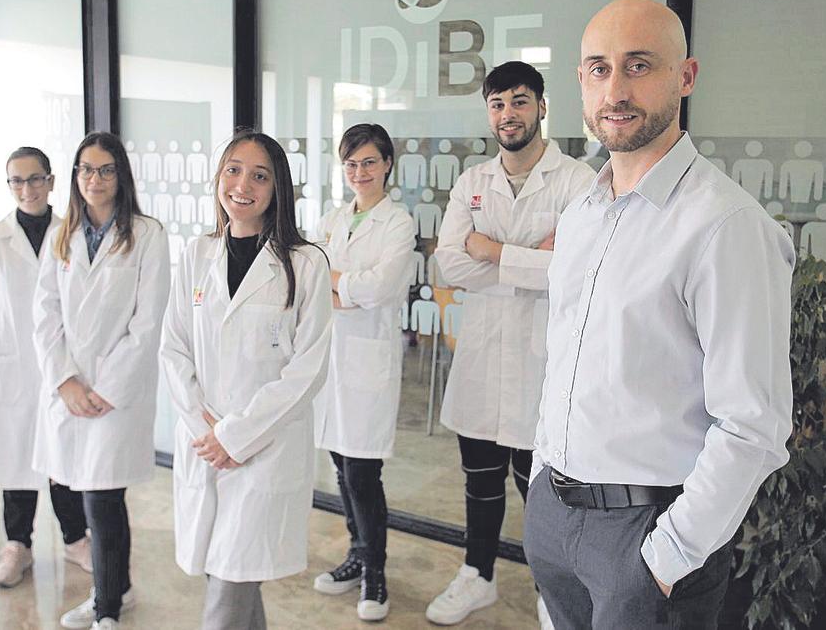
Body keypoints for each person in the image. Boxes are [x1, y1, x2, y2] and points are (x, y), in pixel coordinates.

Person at [523, 0, 794, 629]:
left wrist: (668, 556)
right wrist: (541, 482)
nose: (615, 89)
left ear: (686, 77)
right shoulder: (582, 213)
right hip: (554, 515)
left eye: (638, 65)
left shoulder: (726, 226)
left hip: (647, 533)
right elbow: (566, 361)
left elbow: (753, 425)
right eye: (598, 69)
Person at [429, 61, 596, 627]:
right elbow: (447, 263)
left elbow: (573, 270)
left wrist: (491, 248)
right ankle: (477, 576)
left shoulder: (577, 180)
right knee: (478, 476)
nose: (509, 114)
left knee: (542, 493)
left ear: (542, 107)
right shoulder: (472, 182)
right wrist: (531, 256)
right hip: (483, 352)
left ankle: (556, 593)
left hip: (544, 361)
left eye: (520, 101)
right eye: (498, 104)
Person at [161, 130, 333, 630]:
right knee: (227, 572)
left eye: (260, 176)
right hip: (205, 444)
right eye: (234, 170)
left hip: (265, 449)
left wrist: (236, 435)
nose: (243, 184)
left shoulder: (306, 263)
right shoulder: (196, 253)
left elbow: (308, 368)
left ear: (278, 188)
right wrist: (206, 429)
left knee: (229, 585)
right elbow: (173, 347)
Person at [31, 132, 170, 630]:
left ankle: (106, 606)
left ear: (121, 175)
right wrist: (66, 380)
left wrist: (104, 389)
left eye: (105, 169)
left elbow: (147, 322)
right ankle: (120, 590)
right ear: (75, 177)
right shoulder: (61, 235)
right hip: (70, 389)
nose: (94, 179)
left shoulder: (147, 234)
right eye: (86, 170)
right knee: (77, 489)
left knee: (103, 497)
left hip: (116, 393)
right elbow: (44, 314)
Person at [0, 146, 91, 588]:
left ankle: (76, 538)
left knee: (63, 456)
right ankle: (17, 545)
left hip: (58, 365)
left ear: (52, 181)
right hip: (12, 365)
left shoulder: (70, 232)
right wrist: (2, 347)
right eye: (17, 181)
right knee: (15, 456)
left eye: (35, 179)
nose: (27, 189)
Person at [310, 123, 417, 621]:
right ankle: (355, 554)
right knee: (339, 464)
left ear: (387, 164)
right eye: (351, 163)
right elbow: (309, 281)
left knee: (362, 472)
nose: (360, 172)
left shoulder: (399, 222)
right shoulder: (333, 218)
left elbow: (383, 287)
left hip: (369, 360)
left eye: (369, 162)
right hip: (331, 361)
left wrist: (339, 288)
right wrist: (344, 291)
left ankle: (375, 571)